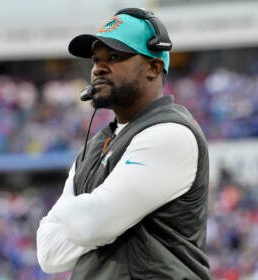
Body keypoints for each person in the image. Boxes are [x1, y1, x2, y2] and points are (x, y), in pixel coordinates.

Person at [36, 7, 212, 280]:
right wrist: (89, 215)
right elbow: (49, 254)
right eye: (96, 59)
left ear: (154, 67)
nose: (98, 68)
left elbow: (92, 225)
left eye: (115, 57)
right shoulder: (96, 145)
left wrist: (73, 215)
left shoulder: (170, 134)